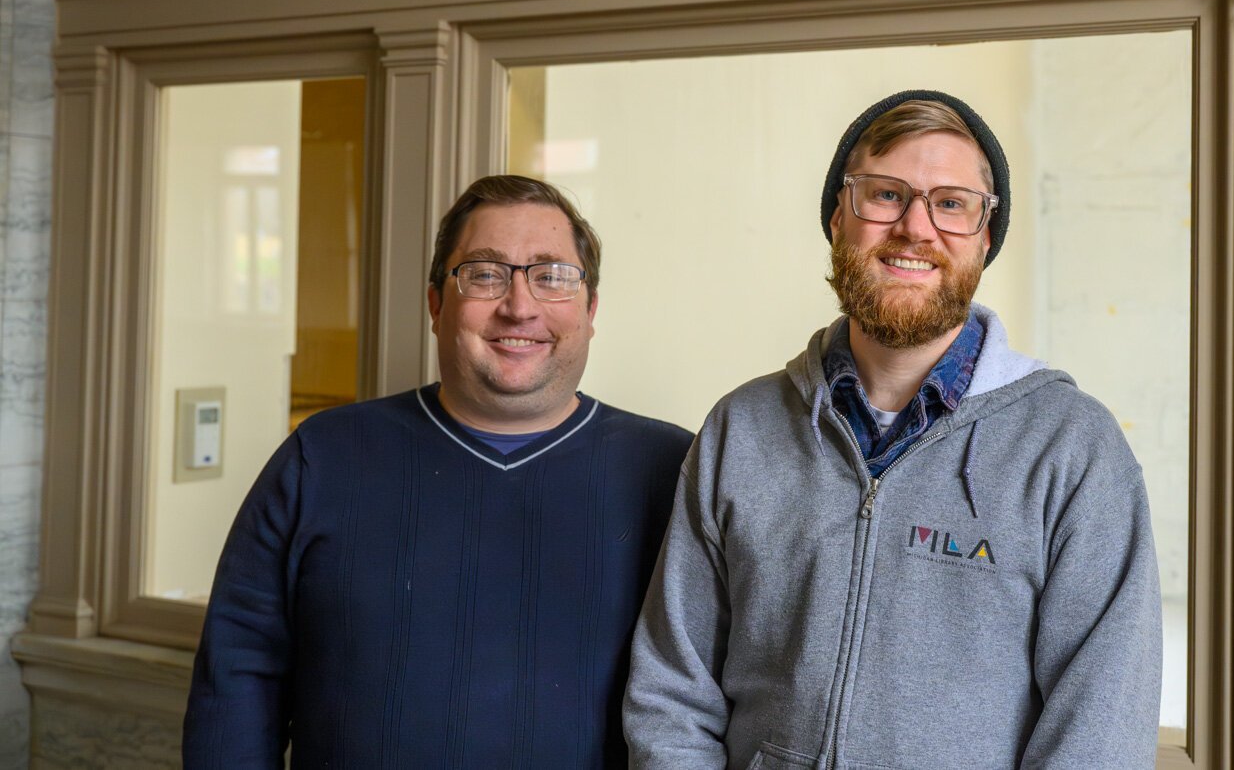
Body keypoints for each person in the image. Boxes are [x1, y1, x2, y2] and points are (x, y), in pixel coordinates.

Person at [625, 90, 1162, 768]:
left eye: (950, 203)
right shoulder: (742, 431)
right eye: (884, 195)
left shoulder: (1071, 449)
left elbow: (1100, 732)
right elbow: (671, 691)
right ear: (837, 219)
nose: (915, 227)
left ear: (984, 237)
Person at [184, 175, 692, 768]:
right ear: (435, 305)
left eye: (551, 276)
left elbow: (711, 694)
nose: (519, 305)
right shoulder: (322, 456)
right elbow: (238, 680)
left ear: (590, 310)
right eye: (484, 273)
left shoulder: (673, 471)